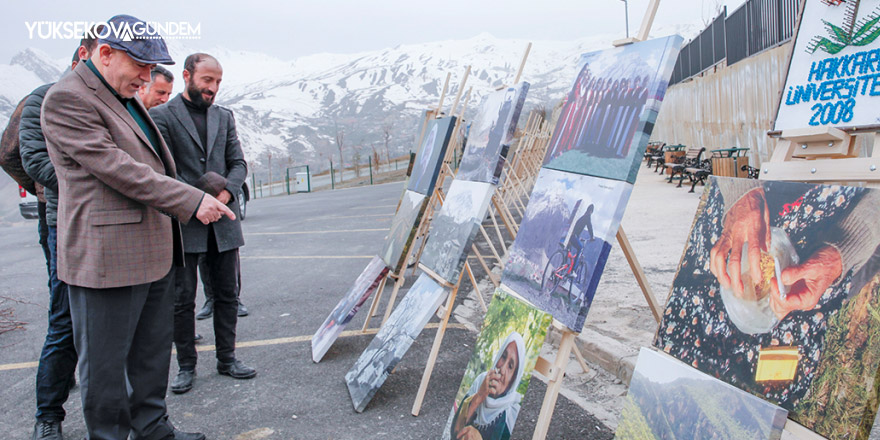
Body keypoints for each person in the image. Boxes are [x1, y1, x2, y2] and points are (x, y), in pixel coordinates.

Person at [41, 14, 234, 440]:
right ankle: (110, 435)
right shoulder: (67, 98)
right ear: (105, 54)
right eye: (141, 67)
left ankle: (152, 427)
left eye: (151, 69)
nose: (147, 78)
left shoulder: (121, 94)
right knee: (106, 367)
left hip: (152, 250)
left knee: (149, 356)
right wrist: (191, 200)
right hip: (106, 257)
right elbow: (119, 169)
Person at [150, 52, 255, 395]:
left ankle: (227, 360)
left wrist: (227, 191)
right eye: (207, 80)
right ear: (187, 76)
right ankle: (186, 367)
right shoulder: (161, 116)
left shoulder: (224, 117)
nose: (213, 88)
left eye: (218, 82)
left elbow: (238, 162)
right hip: (185, 222)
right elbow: (164, 171)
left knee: (227, 295)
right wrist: (196, 201)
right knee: (182, 300)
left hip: (223, 221)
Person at [20, 34, 99, 440]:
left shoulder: (110, 103)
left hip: (106, 224)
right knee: (64, 319)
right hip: (63, 222)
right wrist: (92, 185)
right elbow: (29, 158)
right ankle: (48, 415)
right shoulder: (43, 99)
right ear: (84, 57)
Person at [450, 332, 526, 440]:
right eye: (503, 357)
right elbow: (455, 432)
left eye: (510, 366)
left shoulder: (511, 410)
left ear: (513, 378)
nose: (502, 369)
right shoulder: (482, 380)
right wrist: (479, 396)